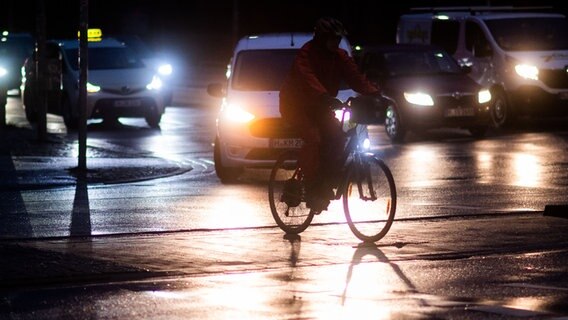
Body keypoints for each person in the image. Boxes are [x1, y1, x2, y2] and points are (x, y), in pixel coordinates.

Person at [279, 17, 382, 213]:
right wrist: (325, 96)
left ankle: (324, 181)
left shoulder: (339, 56)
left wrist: (374, 92)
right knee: (314, 138)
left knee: (337, 137)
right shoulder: (306, 55)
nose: (336, 43)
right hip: (296, 106)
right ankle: (311, 186)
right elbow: (308, 79)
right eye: (332, 39)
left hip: (319, 105)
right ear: (321, 38)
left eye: (338, 40)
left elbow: (355, 77)